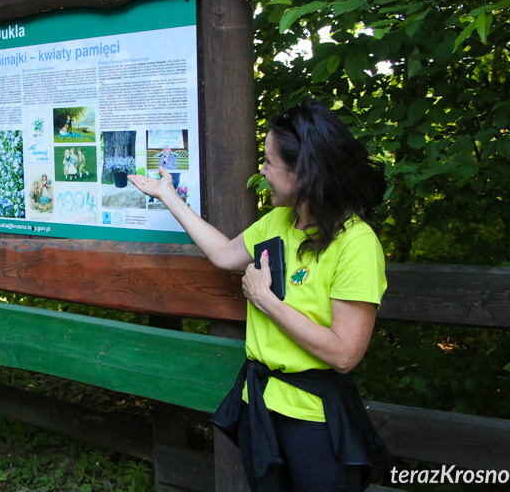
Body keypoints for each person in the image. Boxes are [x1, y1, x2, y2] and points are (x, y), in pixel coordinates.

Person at [128, 98, 390, 492]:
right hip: (259, 407)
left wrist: (266, 300)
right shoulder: (278, 222)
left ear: (302, 172)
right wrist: (169, 196)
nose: (262, 171)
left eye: (269, 162)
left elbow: (344, 354)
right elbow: (222, 254)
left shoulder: (357, 243)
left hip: (313, 418)